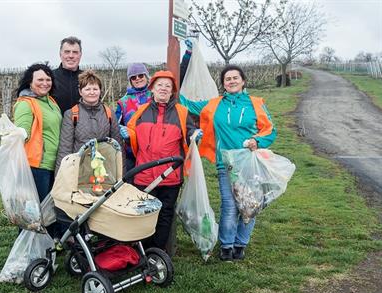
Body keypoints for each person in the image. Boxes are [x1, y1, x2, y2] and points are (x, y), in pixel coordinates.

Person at [179, 65, 277, 261]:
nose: (231, 81)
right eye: (227, 79)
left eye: (235, 78)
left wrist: (257, 141)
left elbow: (270, 130)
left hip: (249, 163)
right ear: (223, 84)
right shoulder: (215, 104)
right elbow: (185, 103)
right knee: (230, 205)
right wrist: (180, 70)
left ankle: (241, 243)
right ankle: (227, 245)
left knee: (250, 204)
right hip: (226, 164)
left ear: (243, 81)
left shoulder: (255, 103)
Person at [124, 70, 201, 251]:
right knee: (144, 214)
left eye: (168, 86)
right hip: (144, 175)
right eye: (160, 85)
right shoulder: (141, 111)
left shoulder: (182, 112)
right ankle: (141, 250)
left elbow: (189, 134)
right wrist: (128, 136)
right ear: (152, 88)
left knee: (165, 214)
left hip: (170, 176)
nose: (164, 89)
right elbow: (132, 134)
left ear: (173, 90)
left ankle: (157, 252)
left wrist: (195, 136)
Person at [117, 41, 193, 172]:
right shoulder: (123, 102)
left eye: (141, 75)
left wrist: (188, 54)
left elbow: (177, 76)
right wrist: (122, 131)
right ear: (130, 81)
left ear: (147, 77)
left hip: (157, 152)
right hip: (132, 153)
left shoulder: (157, 92)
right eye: (133, 77)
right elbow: (115, 125)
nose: (138, 78)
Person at [13, 63, 63, 238]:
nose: (45, 83)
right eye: (40, 79)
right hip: (36, 165)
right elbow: (22, 129)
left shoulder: (51, 101)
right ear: (30, 83)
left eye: (48, 79)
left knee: (48, 210)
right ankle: (28, 249)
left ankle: (47, 246)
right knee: (33, 212)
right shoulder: (25, 104)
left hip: (53, 164)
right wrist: (20, 133)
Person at [55, 70, 123, 172]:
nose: (92, 92)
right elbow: (65, 149)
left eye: (95, 89)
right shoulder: (71, 114)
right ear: (80, 92)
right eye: (87, 89)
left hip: (104, 170)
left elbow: (118, 146)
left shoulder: (109, 113)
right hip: (79, 170)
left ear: (100, 91)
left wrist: (120, 174)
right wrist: (61, 176)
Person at [52, 36, 83, 115]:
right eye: (67, 52)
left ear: (80, 55)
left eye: (75, 52)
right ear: (60, 54)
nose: (71, 56)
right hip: (57, 127)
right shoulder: (49, 78)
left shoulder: (88, 79)